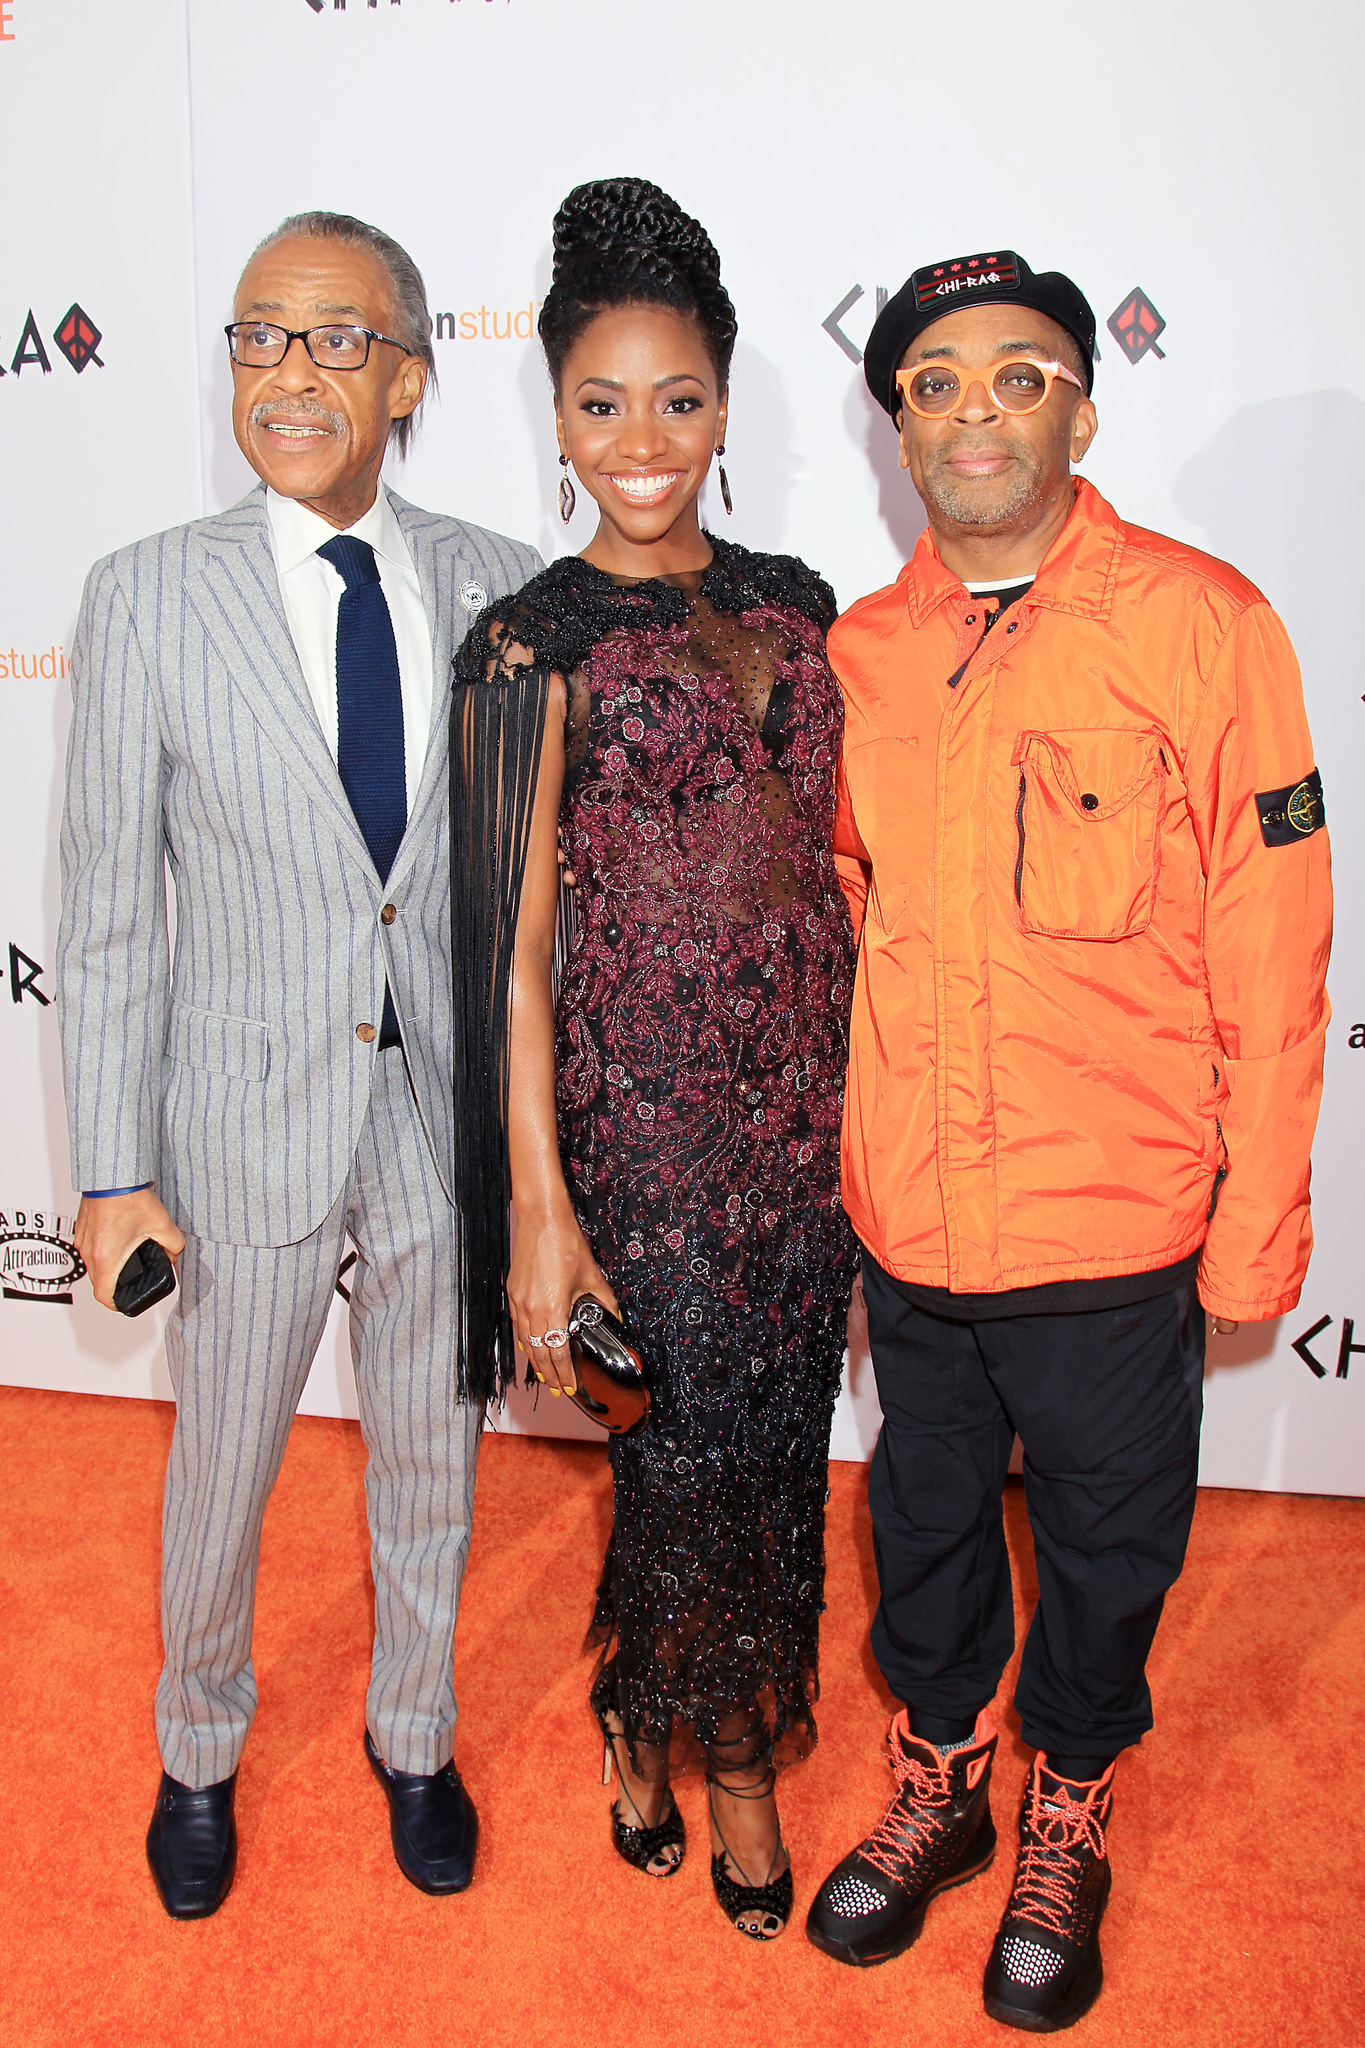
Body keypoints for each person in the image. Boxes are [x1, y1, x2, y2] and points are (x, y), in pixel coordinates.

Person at [804, 251, 1331, 2029]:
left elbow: (1273, 947)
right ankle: (942, 1779)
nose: (971, 409)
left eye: (1015, 375)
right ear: (898, 430)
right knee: (925, 1522)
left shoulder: (1205, 623)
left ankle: (1068, 1800)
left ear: (1079, 410)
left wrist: (1257, 1222)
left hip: (1111, 1233)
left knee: (1111, 1551)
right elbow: (850, 914)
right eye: (933, 381)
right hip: (913, 1223)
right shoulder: (858, 655)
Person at [57, 211, 541, 1919]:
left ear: (408, 374)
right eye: (261, 337)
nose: (290, 371)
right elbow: (106, 913)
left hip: (440, 1128)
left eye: (336, 339)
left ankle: (414, 1732)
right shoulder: (142, 596)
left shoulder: (500, 585)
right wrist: (113, 1171)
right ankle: (198, 1750)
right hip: (241, 1126)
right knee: (221, 1472)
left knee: (431, 1457)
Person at [449, 177, 858, 1942]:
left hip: (798, 1127)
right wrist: (542, 1210)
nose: (641, 441)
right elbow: (512, 950)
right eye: (601, 405)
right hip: (636, 1133)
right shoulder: (526, 640)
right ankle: (724, 1760)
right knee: (676, 1450)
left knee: (768, 1455)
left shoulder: (799, 595)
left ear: (724, 401)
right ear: (551, 413)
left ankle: (651, 1720)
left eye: (677, 401)